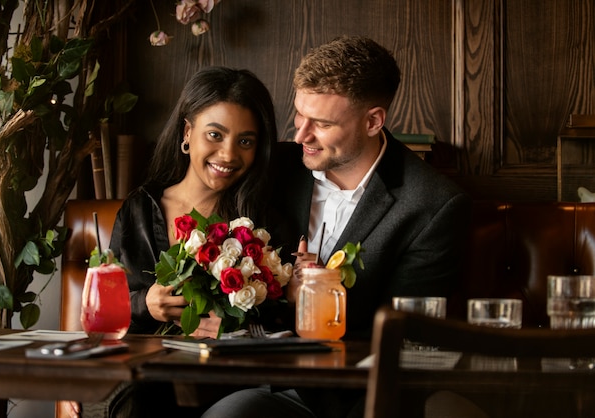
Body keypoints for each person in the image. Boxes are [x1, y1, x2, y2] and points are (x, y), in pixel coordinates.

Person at [202, 35, 472, 418]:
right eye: (299, 114)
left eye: (322, 123)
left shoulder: (433, 205)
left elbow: (406, 336)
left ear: (374, 121)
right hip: (275, 388)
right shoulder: (273, 167)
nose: (300, 135)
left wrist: (317, 301)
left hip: (369, 395)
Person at [64, 65, 279, 418]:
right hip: (141, 374)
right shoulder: (139, 209)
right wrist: (144, 304)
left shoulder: (261, 221)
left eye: (245, 141)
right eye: (215, 135)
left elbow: (281, 323)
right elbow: (104, 315)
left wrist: (236, 330)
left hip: (222, 383)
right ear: (187, 132)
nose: (227, 155)